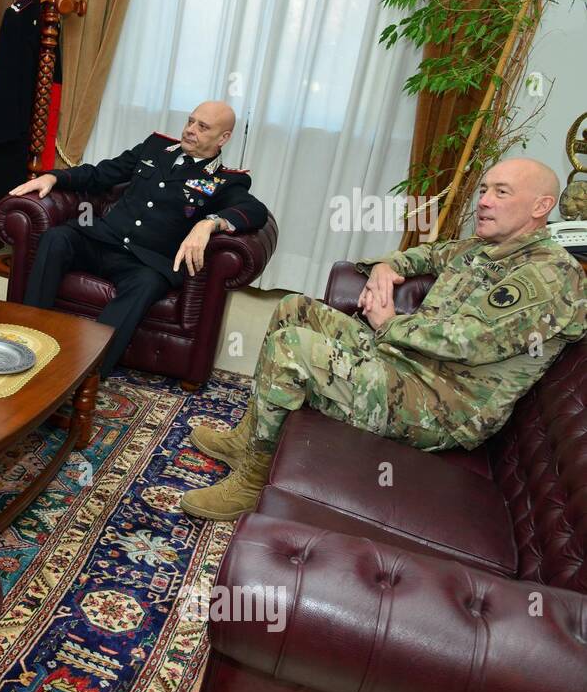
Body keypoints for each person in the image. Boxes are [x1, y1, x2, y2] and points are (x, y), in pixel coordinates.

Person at [180, 157, 587, 522]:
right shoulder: (486, 247)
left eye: (501, 192)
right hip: (408, 365)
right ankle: (249, 437)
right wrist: (385, 267)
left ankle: (253, 480)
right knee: (294, 307)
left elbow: (470, 342)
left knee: (295, 350)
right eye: (484, 190)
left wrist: (388, 323)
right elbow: (427, 256)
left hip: (444, 405)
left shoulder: (547, 275)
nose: (484, 201)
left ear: (540, 207)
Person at [11, 101, 269, 377]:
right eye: (190, 121)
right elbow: (101, 174)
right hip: (102, 239)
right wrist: (54, 177)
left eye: (202, 127)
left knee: (146, 284)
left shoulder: (225, 181)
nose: (190, 130)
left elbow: (256, 212)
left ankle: (85, 372)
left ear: (224, 138)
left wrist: (209, 223)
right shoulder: (154, 147)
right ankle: (26, 340)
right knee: (56, 238)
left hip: (146, 264)